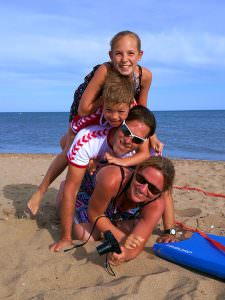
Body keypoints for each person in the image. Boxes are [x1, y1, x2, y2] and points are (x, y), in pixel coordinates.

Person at [26, 30, 163, 216]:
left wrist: (152, 135)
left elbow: (142, 110)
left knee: (110, 141)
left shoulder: (144, 76)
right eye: (118, 53)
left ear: (140, 55)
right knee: (69, 148)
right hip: (92, 105)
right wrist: (106, 99)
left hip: (116, 108)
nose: (124, 59)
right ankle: (41, 191)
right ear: (110, 55)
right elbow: (84, 108)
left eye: (130, 53)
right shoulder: (104, 70)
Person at [50, 106, 157, 252]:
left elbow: (165, 191)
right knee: (84, 234)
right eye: (126, 131)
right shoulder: (90, 139)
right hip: (87, 190)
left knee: (133, 224)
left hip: (113, 200)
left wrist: (170, 231)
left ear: (143, 141)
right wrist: (65, 238)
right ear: (120, 123)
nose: (128, 140)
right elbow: (72, 189)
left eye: (137, 139)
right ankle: (60, 196)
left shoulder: (145, 154)